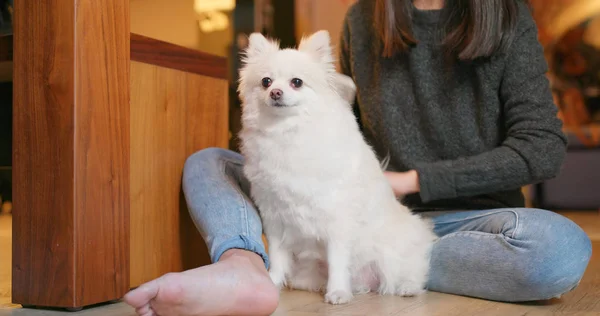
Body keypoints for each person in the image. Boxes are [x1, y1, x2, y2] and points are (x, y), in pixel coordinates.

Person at [124, 0, 593, 315]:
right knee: (209, 162)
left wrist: (411, 181)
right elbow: (344, 127)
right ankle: (245, 264)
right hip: (354, 205)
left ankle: (395, 263)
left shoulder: (508, 17)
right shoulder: (364, 19)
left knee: (558, 251)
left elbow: (542, 147)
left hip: (468, 220)